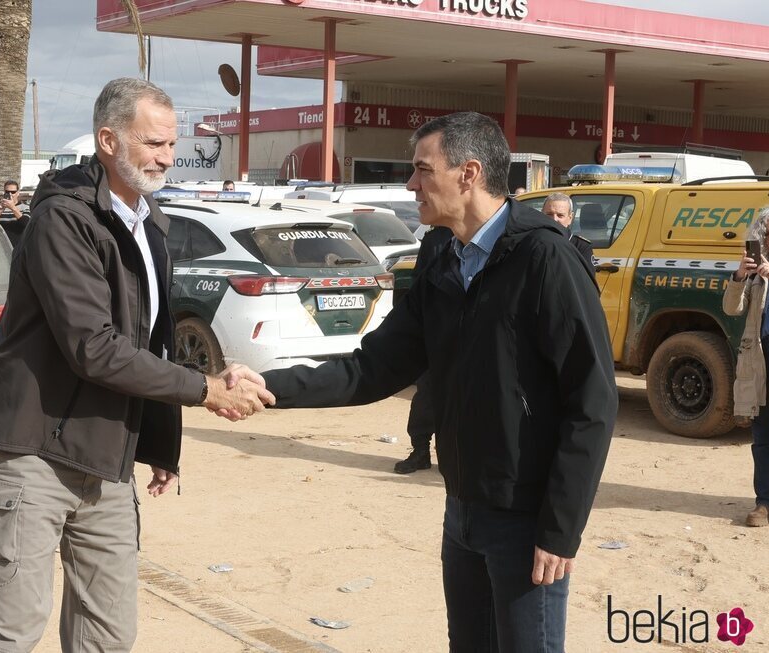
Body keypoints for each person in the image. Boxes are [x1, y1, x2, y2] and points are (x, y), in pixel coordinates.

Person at [247, 112, 616, 652]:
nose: (410, 184)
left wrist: (560, 529)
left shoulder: (544, 258)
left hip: (525, 522)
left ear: (468, 174)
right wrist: (268, 386)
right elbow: (373, 368)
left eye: (422, 170)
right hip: (462, 511)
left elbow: (593, 402)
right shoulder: (442, 256)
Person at [0, 77, 273, 653]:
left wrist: (158, 442)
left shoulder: (148, 221)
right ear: (108, 140)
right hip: (34, 455)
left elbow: (148, 342)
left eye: (171, 144)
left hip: (107, 460)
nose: (167, 156)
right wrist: (205, 391)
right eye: (153, 143)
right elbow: (94, 347)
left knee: (107, 636)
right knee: (10, 635)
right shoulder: (65, 219)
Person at [724, 203, 769, 527]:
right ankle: (765, 503)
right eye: (767, 233)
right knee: (762, 437)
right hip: (761, 356)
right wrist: (739, 276)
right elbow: (732, 308)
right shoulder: (758, 269)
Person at [394, 224, 452, 474]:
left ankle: (453, 457)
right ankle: (420, 450)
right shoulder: (436, 239)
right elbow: (421, 284)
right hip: (436, 329)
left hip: (473, 331)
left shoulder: (489, 235)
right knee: (427, 394)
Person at [542, 192, 594, 268]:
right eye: (549, 214)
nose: (554, 219)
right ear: (541, 214)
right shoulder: (531, 242)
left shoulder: (581, 247)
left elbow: (585, 279)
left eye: (560, 215)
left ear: (570, 217)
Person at [0, 180, 30, 247]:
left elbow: (26, 224)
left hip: (19, 248)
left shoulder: (25, 208)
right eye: (7, 192)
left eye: (13, 192)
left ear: (18, 193)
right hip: (2, 246)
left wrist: (13, 208)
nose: (10, 194)